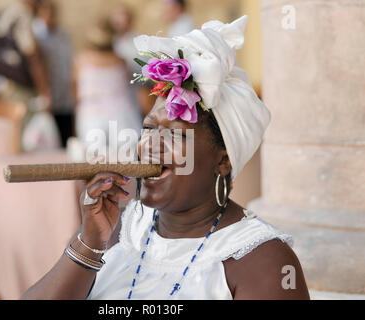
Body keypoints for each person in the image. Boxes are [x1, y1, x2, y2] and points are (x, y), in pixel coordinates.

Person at [21, 16, 310, 300]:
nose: (151, 145)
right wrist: (88, 244)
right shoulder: (119, 230)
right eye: (148, 128)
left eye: (175, 135)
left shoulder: (261, 260)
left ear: (224, 160)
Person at [72, 18, 142, 149]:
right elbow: (129, 86)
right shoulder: (121, 61)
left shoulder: (80, 61)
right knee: (127, 156)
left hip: (91, 115)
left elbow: (75, 90)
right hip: (122, 114)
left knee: (93, 158)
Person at [33, 0, 75, 147]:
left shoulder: (63, 35)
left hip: (64, 96)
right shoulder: (34, 34)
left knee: (66, 139)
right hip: (46, 97)